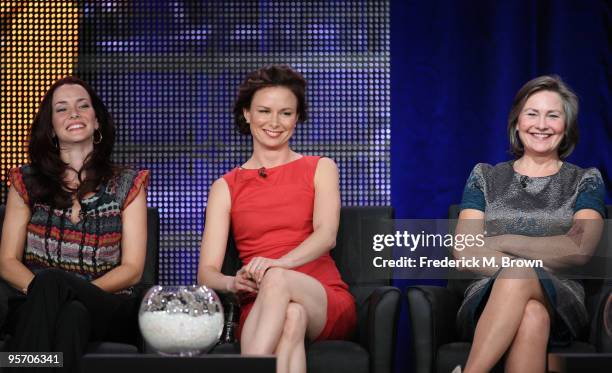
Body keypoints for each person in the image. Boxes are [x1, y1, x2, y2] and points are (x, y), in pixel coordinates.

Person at [197, 64, 356, 373]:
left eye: (285, 113)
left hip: (323, 298)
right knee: (292, 318)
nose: (274, 122)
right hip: (259, 306)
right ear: (247, 113)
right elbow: (207, 273)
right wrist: (234, 281)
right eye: (264, 111)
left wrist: (276, 266)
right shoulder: (225, 187)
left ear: (297, 118)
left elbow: (327, 236)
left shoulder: (321, 167)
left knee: (281, 284)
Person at [453, 75, 605, 373]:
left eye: (553, 115)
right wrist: (542, 257)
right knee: (532, 315)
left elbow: (580, 249)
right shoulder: (484, 176)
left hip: (561, 296)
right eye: (532, 113)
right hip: (488, 296)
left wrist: (500, 240)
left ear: (567, 125)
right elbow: (465, 251)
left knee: (524, 280)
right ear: (517, 121)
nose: (541, 125)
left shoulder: (586, 180)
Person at [0, 76, 149, 372]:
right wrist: (50, 295)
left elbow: (132, 270)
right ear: (51, 128)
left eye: (83, 106)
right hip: (37, 304)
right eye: (62, 109)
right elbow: (6, 262)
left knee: (59, 287)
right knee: (72, 316)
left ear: (96, 122)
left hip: (110, 306)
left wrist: (63, 288)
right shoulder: (25, 182)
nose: (74, 114)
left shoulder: (128, 183)